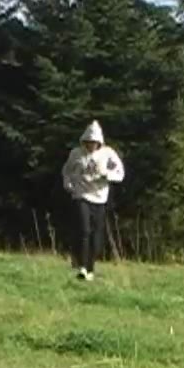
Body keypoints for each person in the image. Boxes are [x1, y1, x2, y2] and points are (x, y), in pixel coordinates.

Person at [61, 120, 125, 281]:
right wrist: (69, 185)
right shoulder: (76, 153)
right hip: (81, 195)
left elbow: (120, 173)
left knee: (96, 235)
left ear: (99, 142)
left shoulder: (108, 154)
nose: (91, 146)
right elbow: (66, 171)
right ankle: (81, 265)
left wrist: (107, 175)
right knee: (84, 230)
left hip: (100, 198)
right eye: (89, 143)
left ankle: (90, 269)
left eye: (94, 143)